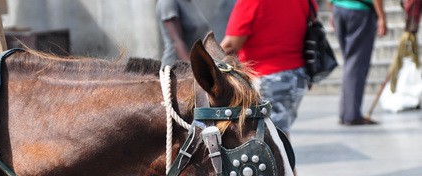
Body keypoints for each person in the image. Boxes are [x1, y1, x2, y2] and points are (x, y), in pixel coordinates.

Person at [220, 0, 316, 136]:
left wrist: (205, 65)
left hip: (267, 79)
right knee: (279, 134)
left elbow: (231, 45)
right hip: (297, 77)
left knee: (269, 139)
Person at [329, 0, 387, 125]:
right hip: (359, 11)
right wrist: (382, 17)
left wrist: (331, 11)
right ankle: (352, 115)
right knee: (356, 63)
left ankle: (346, 113)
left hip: (338, 8)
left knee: (350, 62)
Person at [156, 0, 211, 69]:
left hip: (197, 66)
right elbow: (176, 41)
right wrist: (191, 69)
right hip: (178, 70)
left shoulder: (188, 2)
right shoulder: (168, 2)